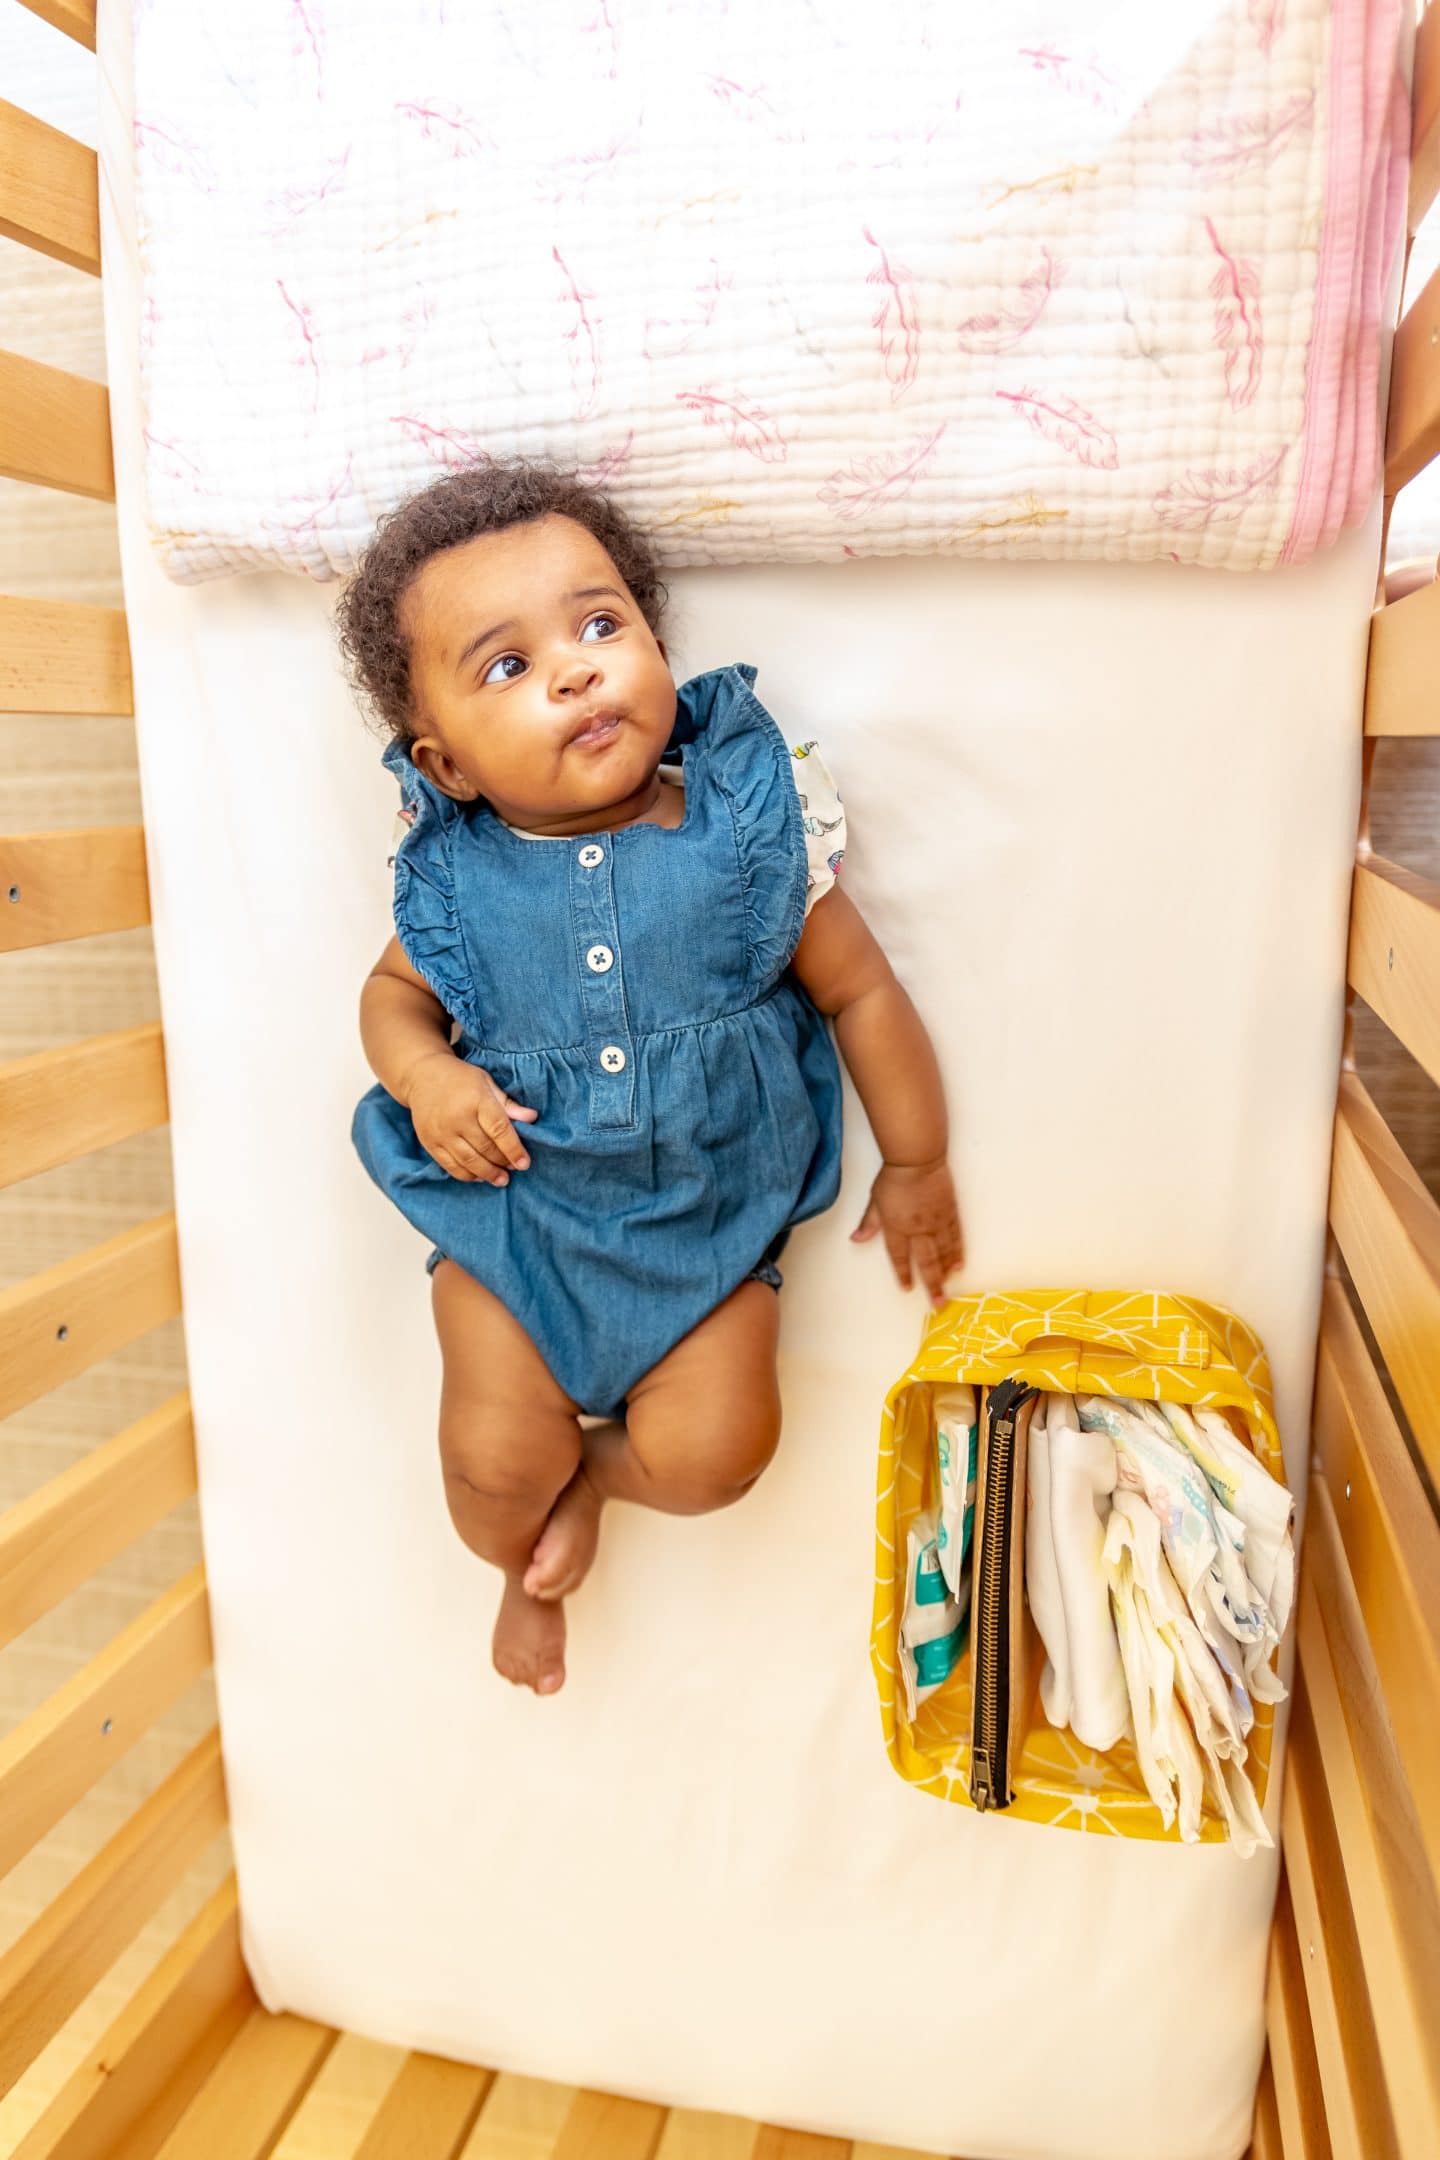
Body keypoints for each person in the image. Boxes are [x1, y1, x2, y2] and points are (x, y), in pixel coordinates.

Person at [338, 456, 963, 1696]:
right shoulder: (460, 881)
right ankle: (525, 1552)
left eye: (600, 623)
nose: (574, 667)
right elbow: (393, 999)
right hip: (518, 1221)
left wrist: (919, 1157)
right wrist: (424, 1081)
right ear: (450, 765)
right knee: (489, 1474)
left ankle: (605, 1477)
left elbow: (863, 993)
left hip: (709, 1225)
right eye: (507, 666)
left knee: (721, 1453)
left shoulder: (748, 835)